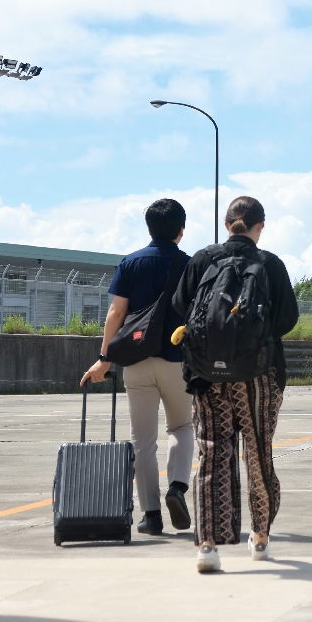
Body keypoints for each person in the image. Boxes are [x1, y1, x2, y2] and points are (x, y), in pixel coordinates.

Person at [172, 196, 299, 573]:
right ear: (260, 226)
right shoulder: (270, 264)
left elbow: (182, 306)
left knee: (212, 454)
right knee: (258, 454)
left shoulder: (203, 259)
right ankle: (260, 537)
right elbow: (286, 318)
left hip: (207, 376)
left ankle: (208, 545)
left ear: (227, 224)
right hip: (259, 376)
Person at [80, 199, 193, 537]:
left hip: (137, 362)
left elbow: (115, 314)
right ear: (181, 230)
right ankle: (177, 487)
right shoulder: (191, 265)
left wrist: (104, 358)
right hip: (178, 361)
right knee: (182, 428)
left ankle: (152, 516)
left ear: (148, 228)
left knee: (143, 441)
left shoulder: (130, 263)